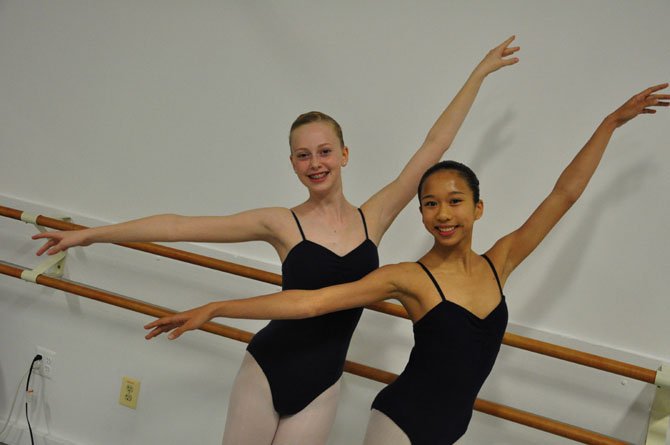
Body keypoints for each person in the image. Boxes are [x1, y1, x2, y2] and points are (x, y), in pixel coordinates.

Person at [33, 37, 519, 445]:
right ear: (292, 164)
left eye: (325, 151)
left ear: (344, 154)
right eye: (303, 155)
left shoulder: (375, 217)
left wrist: (477, 75)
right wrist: (90, 235)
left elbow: (433, 147)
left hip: (324, 383)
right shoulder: (280, 223)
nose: (316, 163)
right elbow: (180, 226)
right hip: (267, 369)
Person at [144, 83, 669, 444]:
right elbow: (311, 303)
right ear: (420, 214)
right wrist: (218, 307)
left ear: (478, 208)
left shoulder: (500, 262)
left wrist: (610, 123)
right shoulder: (407, 278)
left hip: (451, 427)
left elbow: (564, 194)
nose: (443, 214)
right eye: (430, 204)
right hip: (400, 423)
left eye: (455, 201)